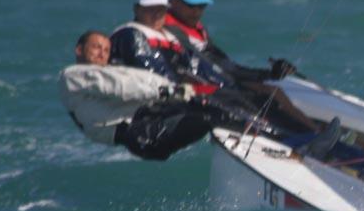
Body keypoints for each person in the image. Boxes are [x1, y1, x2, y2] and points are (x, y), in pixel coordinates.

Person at [165, 0, 319, 133]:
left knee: (273, 92)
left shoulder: (194, 27)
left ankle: (313, 132)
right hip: (201, 88)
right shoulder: (171, 29)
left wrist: (271, 73)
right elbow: (217, 69)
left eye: (202, 6)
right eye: (191, 5)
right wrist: (266, 74)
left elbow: (225, 65)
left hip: (218, 79)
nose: (197, 11)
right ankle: (302, 134)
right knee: (259, 97)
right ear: (173, 1)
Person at [60, 30, 239, 160]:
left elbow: (145, 79)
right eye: (96, 47)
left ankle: (250, 131)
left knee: (214, 109)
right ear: (79, 50)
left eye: (106, 50)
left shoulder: (108, 72)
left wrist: (175, 89)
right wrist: (166, 91)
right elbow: (120, 88)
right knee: (209, 119)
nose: (102, 54)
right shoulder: (74, 75)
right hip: (140, 133)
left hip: (150, 118)